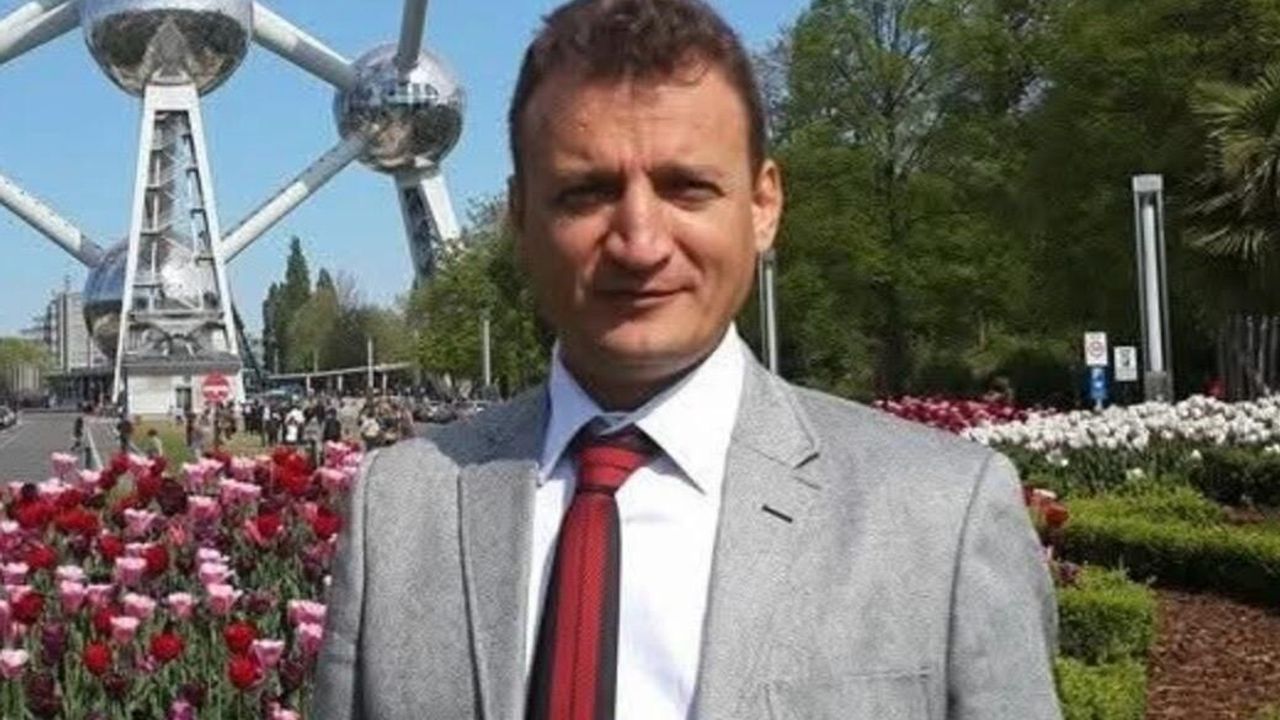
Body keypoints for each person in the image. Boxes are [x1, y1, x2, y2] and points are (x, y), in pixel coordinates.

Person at [312, 1, 1060, 718]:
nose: (640, 243)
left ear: (763, 207)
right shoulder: (401, 510)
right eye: (586, 193)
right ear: (520, 218)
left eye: (687, 188)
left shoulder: (939, 514)